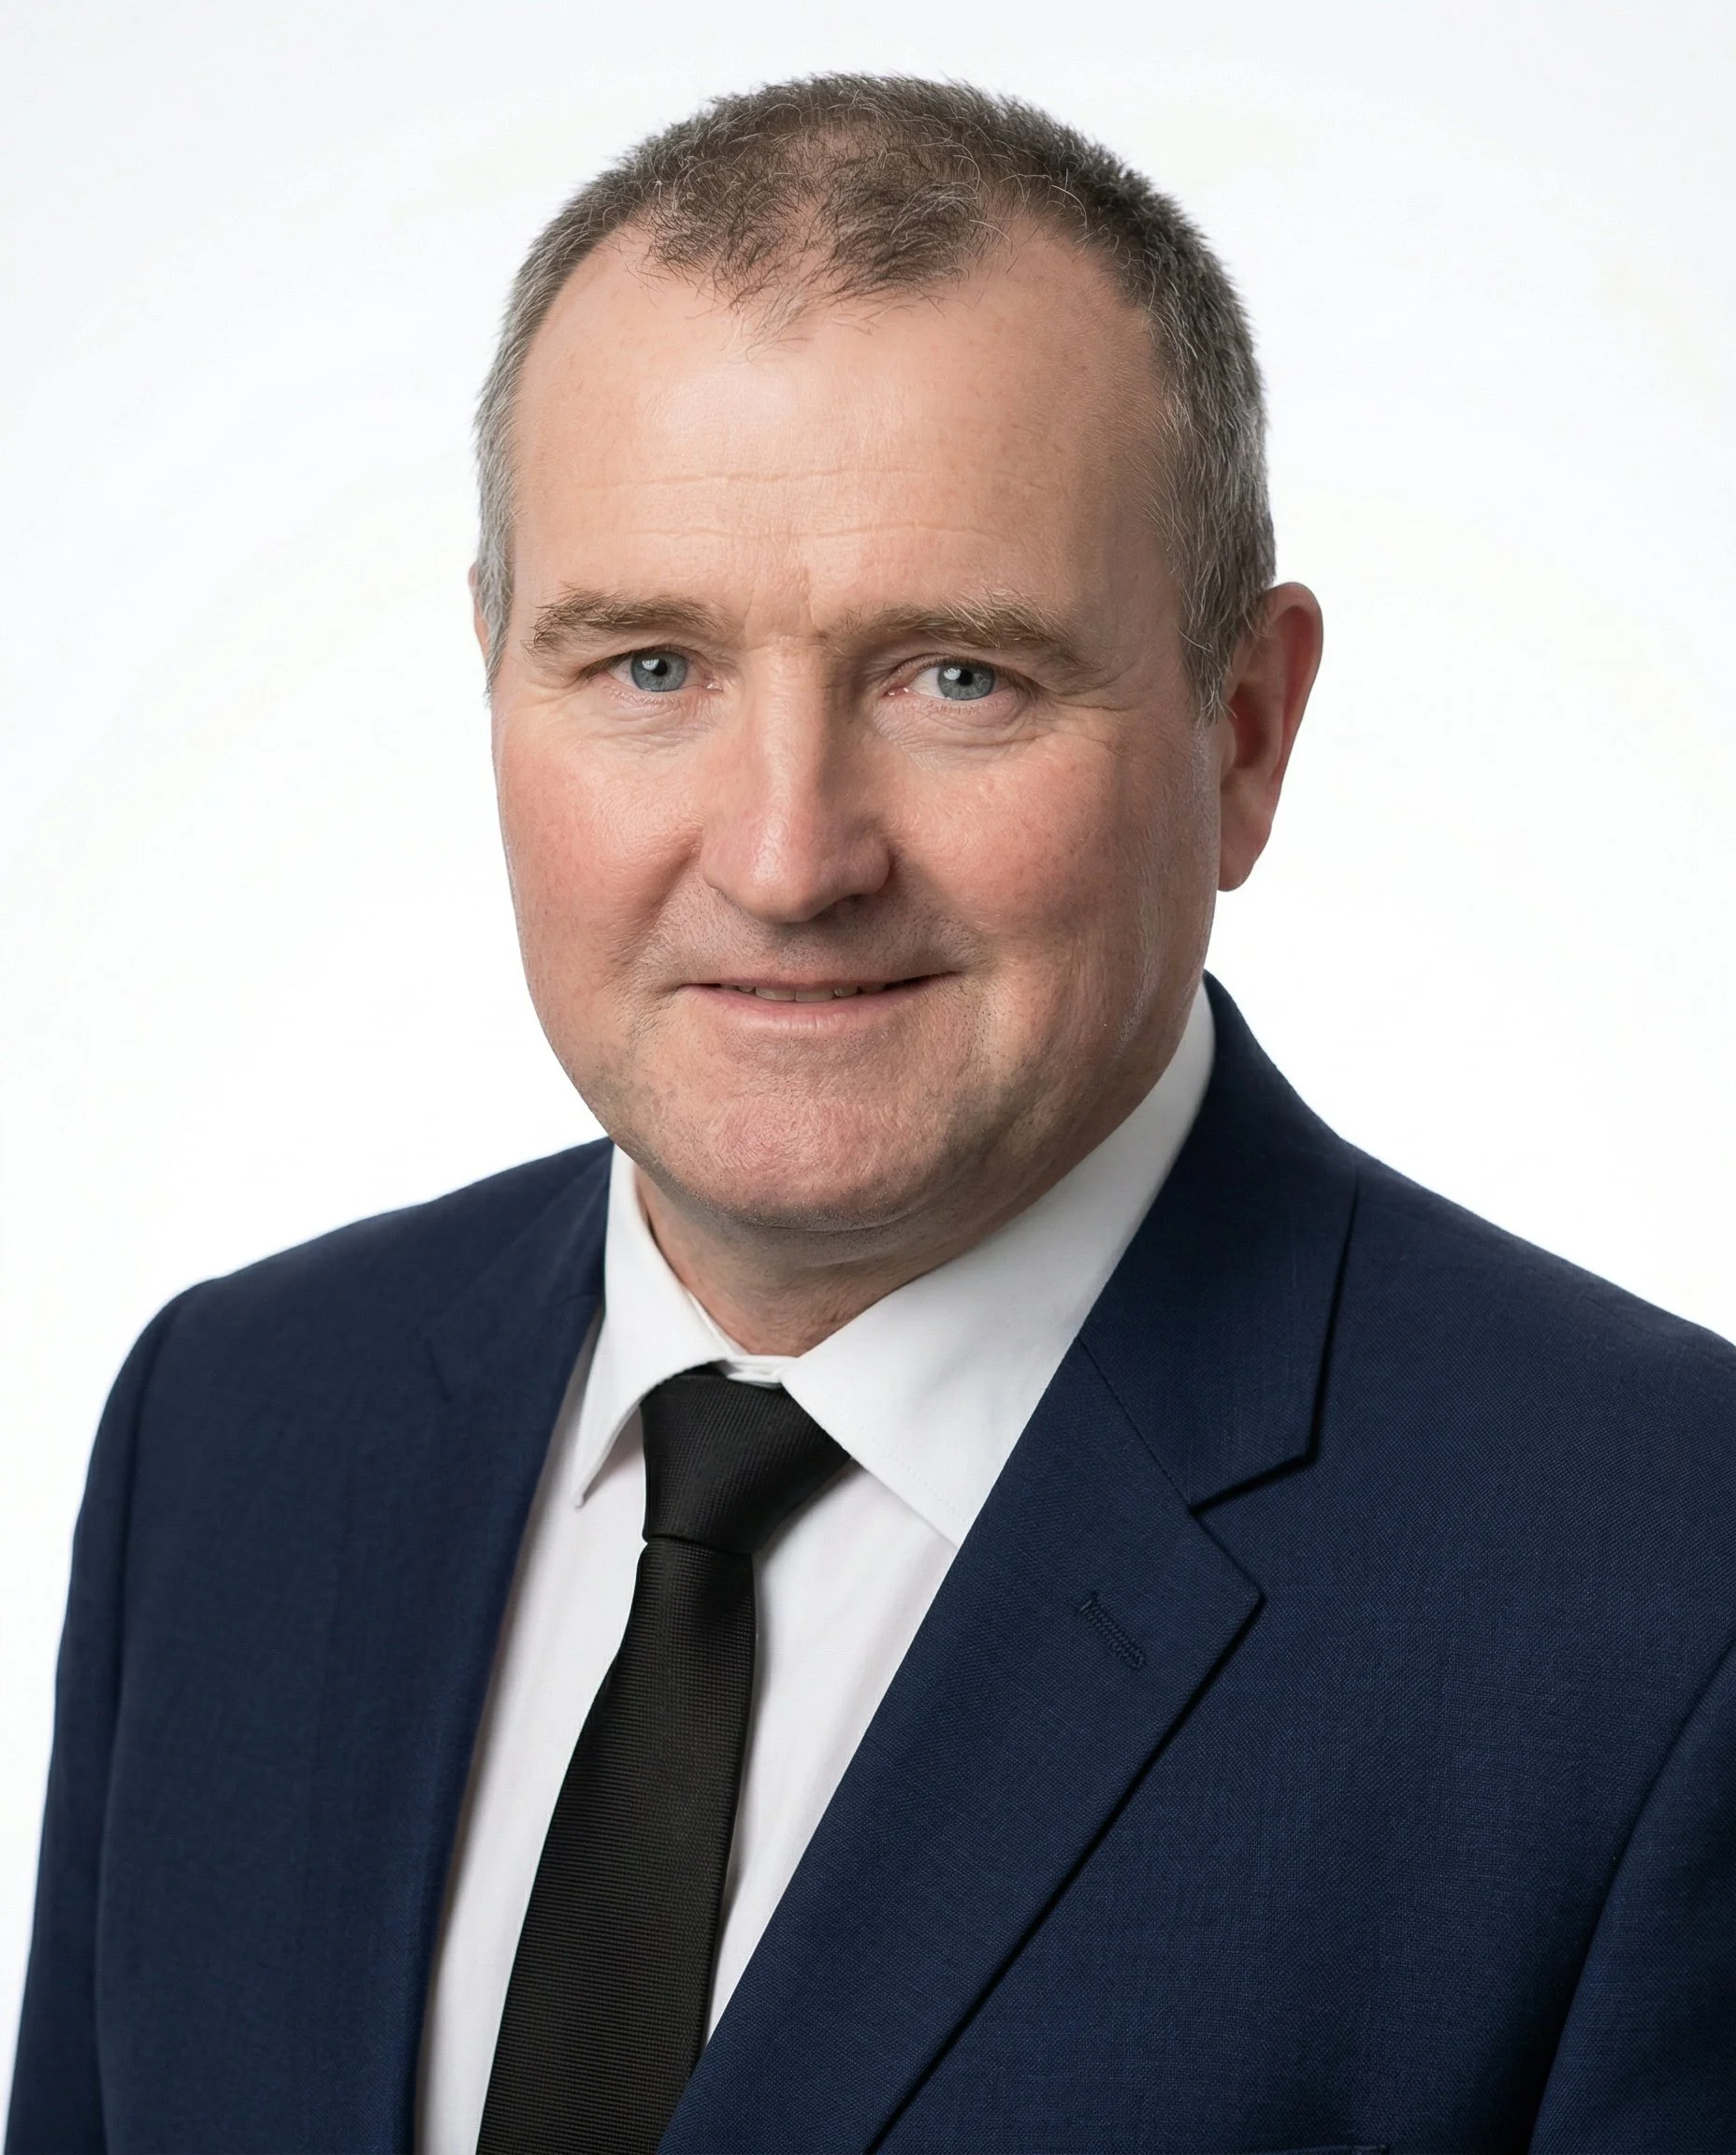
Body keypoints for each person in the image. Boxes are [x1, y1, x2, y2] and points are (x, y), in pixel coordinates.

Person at [8, 71, 1736, 2155]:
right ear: (494, 678)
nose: (786, 856)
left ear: (1245, 734)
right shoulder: (234, 1431)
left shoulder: (1665, 1591)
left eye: (956, 678)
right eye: (650, 667)